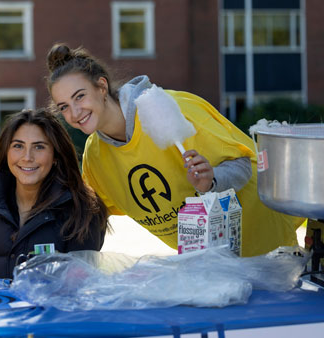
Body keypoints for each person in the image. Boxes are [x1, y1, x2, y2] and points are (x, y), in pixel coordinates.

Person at [45, 43, 304, 258]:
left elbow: (245, 163)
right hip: (207, 267)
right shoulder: (95, 156)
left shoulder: (174, 107)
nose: (75, 112)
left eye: (80, 96)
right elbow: (93, 214)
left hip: (267, 250)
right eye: (64, 106)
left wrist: (211, 179)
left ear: (101, 86)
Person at [0, 108, 110, 281]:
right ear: (6, 152)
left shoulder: (83, 210)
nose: (27, 157)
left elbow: (81, 291)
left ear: (56, 154)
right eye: (18, 146)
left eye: (39, 147)